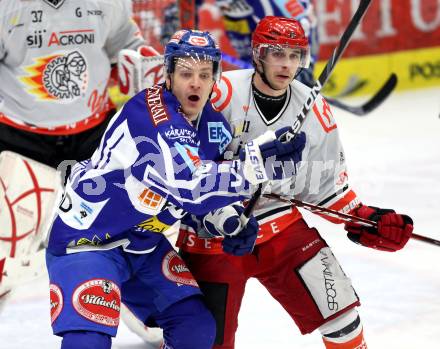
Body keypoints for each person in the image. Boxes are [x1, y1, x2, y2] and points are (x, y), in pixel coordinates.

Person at [44, 28, 306, 349]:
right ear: (168, 76)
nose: (195, 82)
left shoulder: (214, 128)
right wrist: (254, 164)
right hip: (87, 241)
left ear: (215, 80)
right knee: (88, 340)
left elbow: (206, 202)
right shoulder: (151, 114)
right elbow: (191, 187)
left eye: (204, 74)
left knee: (194, 328)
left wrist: (230, 221)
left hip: (143, 245)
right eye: (185, 74)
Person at [177, 16, 414, 349]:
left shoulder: (313, 107)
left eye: (294, 56)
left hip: (280, 228)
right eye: (277, 54)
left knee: (343, 321)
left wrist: (365, 218)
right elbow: (185, 168)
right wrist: (222, 213)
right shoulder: (221, 94)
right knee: (204, 341)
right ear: (258, 54)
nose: (287, 65)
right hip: (214, 237)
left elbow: (325, 187)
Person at [0, 0, 155, 310]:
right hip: (19, 136)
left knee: (126, 232)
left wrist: (140, 63)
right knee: (8, 250)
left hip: (94, 135)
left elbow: (126, 46)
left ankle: (148, 309)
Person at [214, 0, 318, 86]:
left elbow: (304, 37)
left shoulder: (277, 6)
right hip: (259, 67)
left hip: (292, 67)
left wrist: (301, 74)